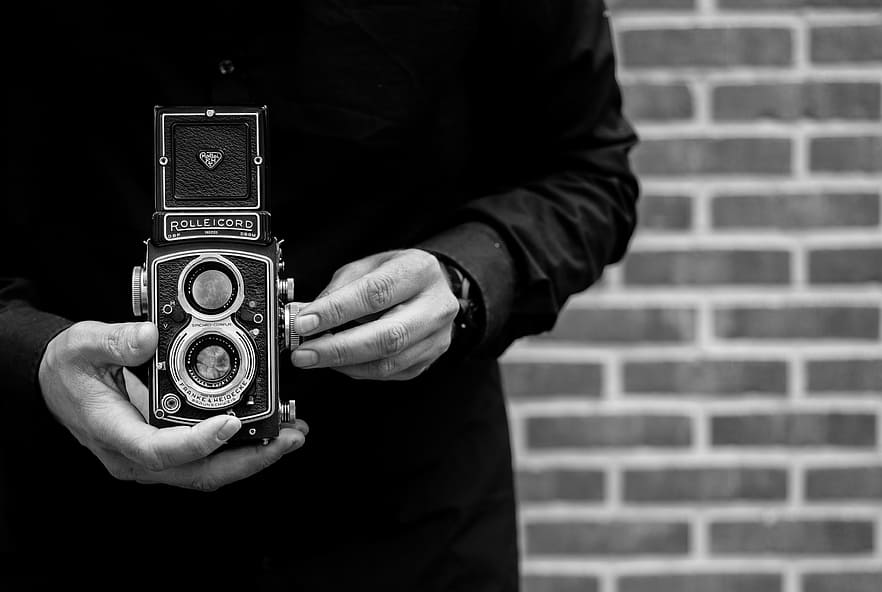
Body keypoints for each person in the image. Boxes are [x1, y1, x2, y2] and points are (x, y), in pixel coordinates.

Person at [0, 1, 638, 588]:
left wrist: (465, 277)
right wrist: (33, 354)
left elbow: (587, 169)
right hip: (68, 512)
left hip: (409, 522)